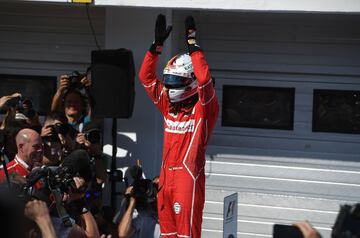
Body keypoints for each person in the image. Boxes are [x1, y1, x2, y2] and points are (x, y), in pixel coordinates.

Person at [139, 14, 219, 237]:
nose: (169, 86)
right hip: (165, 181)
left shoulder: (204, 110)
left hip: (187, 180)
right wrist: (156, 47)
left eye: (176, 81)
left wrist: (193, 44)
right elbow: (145, 77)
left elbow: (204, 80)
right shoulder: (168, 104)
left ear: (190, 82)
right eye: (168, 80)